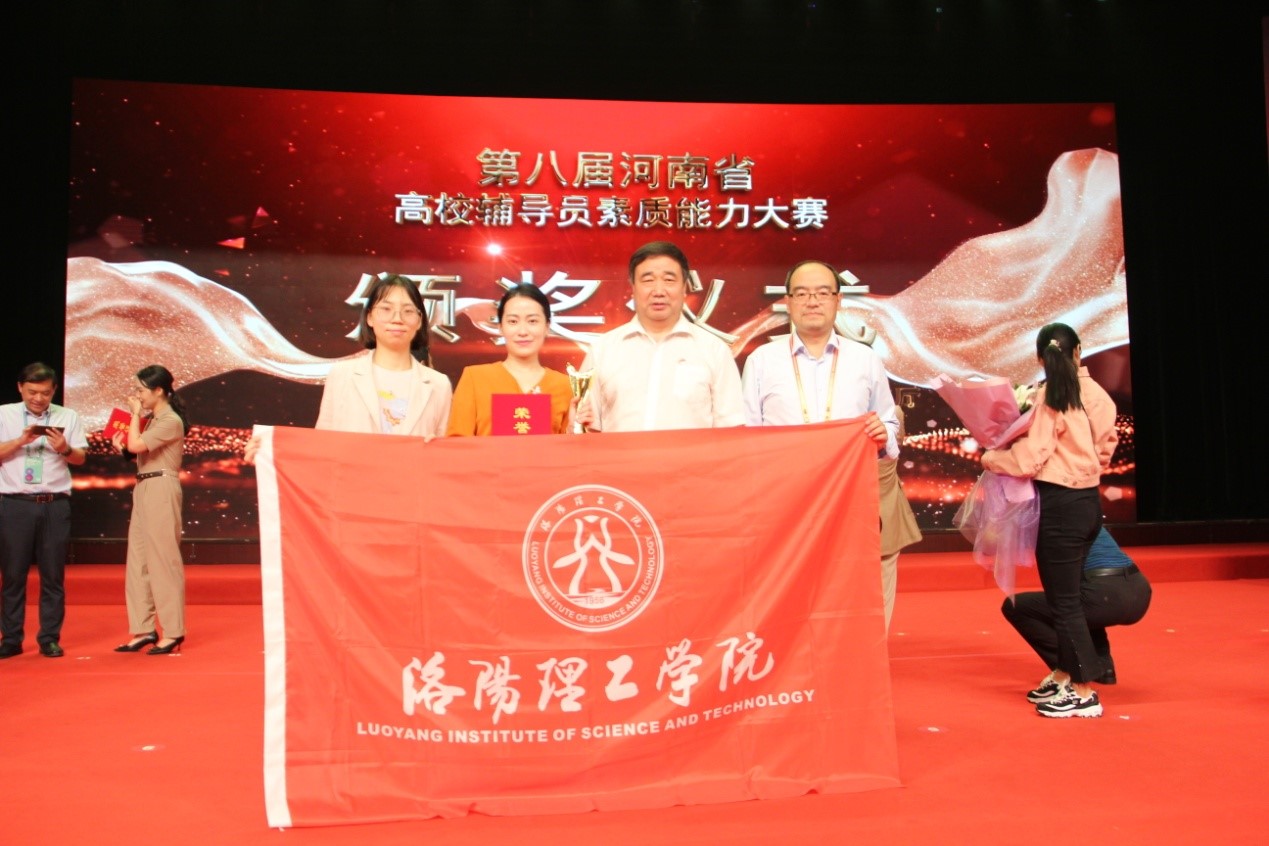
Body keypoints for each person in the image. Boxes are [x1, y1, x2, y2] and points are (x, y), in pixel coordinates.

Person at [742, 259, 918, 630]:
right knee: (794, 592)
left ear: (838, 301)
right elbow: (747, 436)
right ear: (788, 302)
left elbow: (888, 423)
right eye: (802, 293)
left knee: (860, 590)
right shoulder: (761, 361)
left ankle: (864, 656)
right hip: (787, 500)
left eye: (823, 293)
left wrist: (884, 435)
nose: (812, 301)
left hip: (853, 496)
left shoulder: (864, 359)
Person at [982, 322, 1118, 718]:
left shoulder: (1052, 397)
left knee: (1064, 602)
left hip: (1060, 506)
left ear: (1040, 359)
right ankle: (1067, 675)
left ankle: (1083, 691)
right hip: (1088, 502)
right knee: (1070, 597)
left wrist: (992, 458)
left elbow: (1030, 458)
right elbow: (1104, 449)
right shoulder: (1097, 395)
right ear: (1079, 351)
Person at [575, 242, 743, 432]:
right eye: (648, 280)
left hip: (693, 453)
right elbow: (588, 428)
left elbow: (731, 428)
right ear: (633, 287)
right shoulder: (603, 350)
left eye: (669, 280)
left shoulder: (714, 350)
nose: (658, 291)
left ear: (684, 287)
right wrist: (577, 422)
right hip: (619, 453)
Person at [0, 363, 88, 658]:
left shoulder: (68, 416)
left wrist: (64, 447)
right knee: (13, 575)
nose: (39, 398)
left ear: (54, 391)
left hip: (54, 504)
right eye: (32, 392)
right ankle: (11, 639)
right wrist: (20, 441)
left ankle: (49, 638)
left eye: (45, 393)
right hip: (15, 504)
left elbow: (80, 458)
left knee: (53, 575)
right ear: (20, 388)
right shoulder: (4, 414)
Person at [1003, 526, 1151, 690]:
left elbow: (994, 541)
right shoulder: (1086, 518)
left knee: (1016, 606)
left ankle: (1071, 668)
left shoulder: (1050, 525)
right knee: (1081, 600)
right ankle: (1103, 667)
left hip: (1105, 596)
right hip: (1139, 591)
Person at [110, 365, 189, 655]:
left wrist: (133, 416)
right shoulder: (155, 419)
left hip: (161, 488)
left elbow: (137, 445)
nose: (137, 396)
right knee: (138, 560)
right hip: (144, 485)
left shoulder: (170, 420)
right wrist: (123, 448)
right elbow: (136, 451)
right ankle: (143, 628)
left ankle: (173, 631)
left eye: (141, 390)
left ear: (159, 390)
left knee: (162, 560)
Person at [315, 274, 452, 436]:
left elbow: (444, 446)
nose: (397, 319)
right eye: (386, 309)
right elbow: (323, 441)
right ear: (369, 317)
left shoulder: (439, 384)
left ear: (419, 320)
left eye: (408, 311)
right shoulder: (342, 375)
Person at [446, 283, 574, 436]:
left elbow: (569, 448)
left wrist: (577, 430)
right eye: (513, 321)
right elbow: (457, 443)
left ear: (547, 326)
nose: (523, 331)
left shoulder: (565, 386)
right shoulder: (475, 378)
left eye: (532, 321)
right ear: (500, 327)